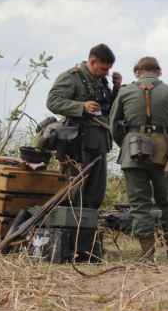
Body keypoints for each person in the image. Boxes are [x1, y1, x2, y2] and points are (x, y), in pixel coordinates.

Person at [109, 56, 168, 261]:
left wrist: (126, 143)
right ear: (159, 72)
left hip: (132, 153)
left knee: (139, 205)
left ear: (137, 72)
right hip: (163, 154)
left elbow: (114, 124)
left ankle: (147, 254)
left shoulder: (125, 91)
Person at [46, 43, 122, 210]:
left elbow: (108, 109)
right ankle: (67, 224)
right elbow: (53, 101)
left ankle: (87, 224)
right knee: (72, 192)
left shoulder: (101, 81)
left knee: (95, 194)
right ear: (92, 62)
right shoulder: (72, 77)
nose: (107, 73)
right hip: (77, 146)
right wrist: (81, 107)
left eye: (108, 70)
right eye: (104, 69)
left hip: (100, 144)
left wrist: (116, 89)